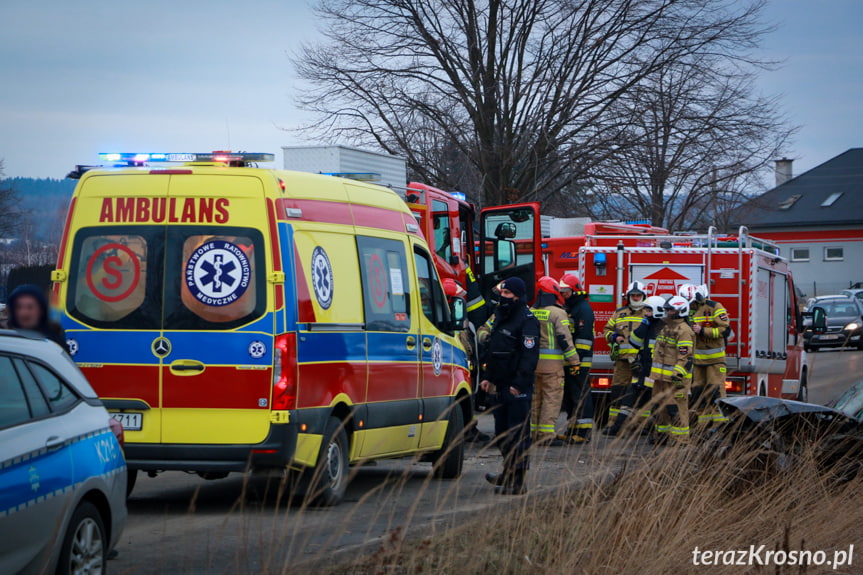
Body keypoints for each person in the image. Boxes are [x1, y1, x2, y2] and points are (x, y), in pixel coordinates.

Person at [478, 277, 540, 494]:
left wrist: (519, 384)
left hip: (516, 387)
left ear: (517, 296)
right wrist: (487, 377)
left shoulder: (527, 320)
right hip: (499, 384)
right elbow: (494, 351)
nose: (503, 298)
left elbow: (529, 356)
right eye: (502, 294)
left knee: (518, 434)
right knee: (502, 433)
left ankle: (518, 481)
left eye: (507, 294)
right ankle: (508, 472)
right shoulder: (501, 316)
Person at [604, 294, 666, 436]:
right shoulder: (647, 324)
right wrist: (643, 326)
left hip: (654, 370)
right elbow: (635, 341)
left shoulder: (664, 328)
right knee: (629, 397)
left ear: (657, 310)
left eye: (649, 310)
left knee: (653, 400)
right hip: (641, 367)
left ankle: (651, 430)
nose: (646, 313)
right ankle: (616, 427)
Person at [530, 276, 579, 446]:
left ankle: (534, 433)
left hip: (533, 364)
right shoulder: (558, 313)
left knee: (536, 398)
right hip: (553, 366)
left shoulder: (532, 311)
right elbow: (565, 339)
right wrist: (574, 362)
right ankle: (546, 435)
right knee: (552, 398)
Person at [442, 278, 490, 443]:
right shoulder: (450, 322)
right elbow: (464, 345)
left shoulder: (459, 321)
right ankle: (467, 429)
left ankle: (470, 427)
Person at [679, 283, 731, 429]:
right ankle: (702, 428)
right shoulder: (686, 311)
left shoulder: (715, 307)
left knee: (715, 391)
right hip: (697, 361)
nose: (691, 306)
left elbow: (725, 330)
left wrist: (703, 331)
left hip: (715, 360)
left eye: (692, 303)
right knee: (698, 393)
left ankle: (720, 426)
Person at [602, 281, 648, 435]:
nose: (635, 297)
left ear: (643, 296)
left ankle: (640, 426)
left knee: (640, 392)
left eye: (638, 295)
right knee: (618, 391)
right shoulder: (619, 313)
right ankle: (613, 424)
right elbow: (607, 330)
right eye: (633, 295)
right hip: (622, 361)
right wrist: (614, 337)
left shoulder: (649, 313)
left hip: (640, 361)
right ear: (628, 296)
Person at [649, 295, 695, 445]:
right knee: (660, 407)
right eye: (667, 310)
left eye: (671, 310)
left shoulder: (684, 330)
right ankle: (662, 436)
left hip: (675, 378)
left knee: (677, 408)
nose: (668, 313)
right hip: (660, 377)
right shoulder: (667, 327)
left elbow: (685, 356)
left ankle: (680, 439)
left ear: (680, 311)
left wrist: (677, 374)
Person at [557, 273, 595, 444]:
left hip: (580, 361)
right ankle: (572, 429)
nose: (563, 294)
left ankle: (584, 433)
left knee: (581, 396)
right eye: (561, 291)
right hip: (572, 361)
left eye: (566, 291)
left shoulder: (583, 309)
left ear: (574, 290)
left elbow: (584, 338)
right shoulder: (571, 307)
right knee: (572, 396)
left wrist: (577, 362)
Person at [5, 284, 68, 349]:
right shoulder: (5, 338)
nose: (24, 313)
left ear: (41, 310)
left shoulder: (55, 343)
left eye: (30, 307)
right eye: (19, 307)